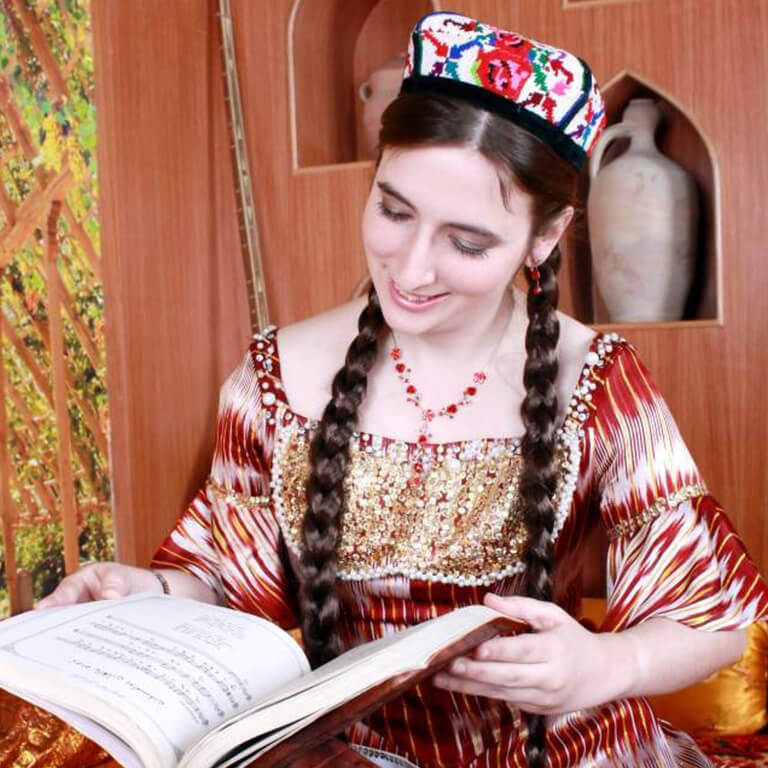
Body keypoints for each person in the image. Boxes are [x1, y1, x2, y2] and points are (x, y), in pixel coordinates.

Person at [38, 11, 768, 768]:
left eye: (467, 241)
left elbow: (714, 620)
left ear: (545, 237)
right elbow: (221, 581)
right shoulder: (273, 380)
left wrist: (603, 666)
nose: (411, 270)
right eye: (393, 210)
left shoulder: (597, 380)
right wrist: (145, 593)